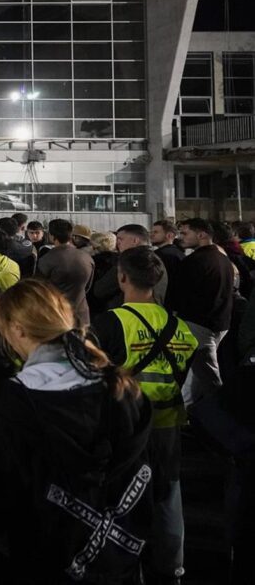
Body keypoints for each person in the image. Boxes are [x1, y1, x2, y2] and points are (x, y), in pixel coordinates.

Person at [0, 279, 153, 584]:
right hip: (115, 564)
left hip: (37, 565)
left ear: (18, 330)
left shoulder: (8, 404)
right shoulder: (121, 388)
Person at [91, 247, 196, 584]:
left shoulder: (109, 323)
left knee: (121, 498)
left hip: (123, 427)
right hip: (168, 425)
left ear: (121, 277)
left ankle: (122, 564)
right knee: (168, 495)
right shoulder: (179, 326)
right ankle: (171, 567)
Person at [167, 218, 235, 407]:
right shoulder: (222, 258)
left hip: (199, 325)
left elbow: (178, 295)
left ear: (202, 234)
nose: (181, 237)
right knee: (196, 374)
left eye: (185, 233)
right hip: (219, 322)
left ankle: (224, 410)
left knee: (208, 376)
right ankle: (186, 408)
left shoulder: (195, 261)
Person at [91, 224, 169, 311]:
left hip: (126, 314)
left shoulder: (129, 260)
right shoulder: (156, 260)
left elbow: (100, 289)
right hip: (154, 312)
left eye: (121, 239)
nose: (117, 243)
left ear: (135, 240)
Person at [35, 218, 95, 325]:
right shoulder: (86, 257)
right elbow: (87, 286)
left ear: (52, 236)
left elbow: (38, 288)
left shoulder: (47, 259)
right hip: (81, 313)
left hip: (56, 314)